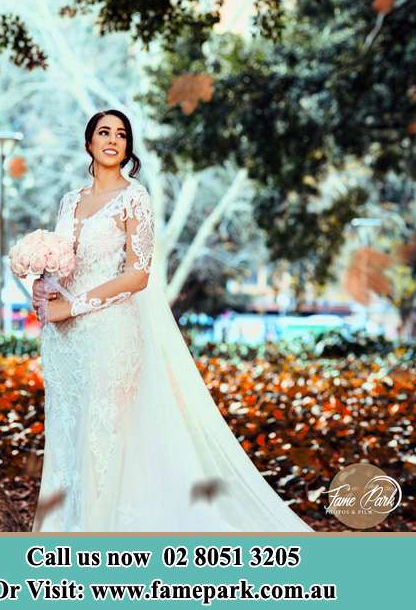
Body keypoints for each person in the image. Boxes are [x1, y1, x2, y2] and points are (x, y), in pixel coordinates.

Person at [31, 109, 313, 532]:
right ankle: (65, 529)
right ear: (88, 142)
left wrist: (74, 306)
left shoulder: (133, 198)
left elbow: (138, 274)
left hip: (111, 330)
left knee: (104, 431)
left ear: (127, 148)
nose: (113, 140)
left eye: (121, 134)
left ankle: (102, 531)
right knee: (69, 430)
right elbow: (64, 262)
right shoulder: (71, 201)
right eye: (104, 132)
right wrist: (43, 282)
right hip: (65, 340)